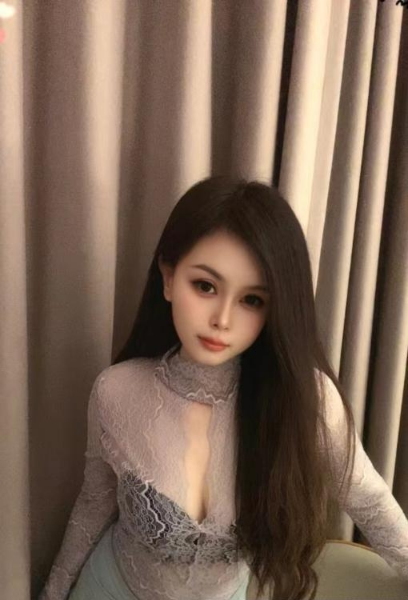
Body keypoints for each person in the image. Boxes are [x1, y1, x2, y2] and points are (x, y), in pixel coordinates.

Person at [39, 176, 408, 600]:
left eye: (252, 300)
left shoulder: (305, 400)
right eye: (205, 286)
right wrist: (54, 591)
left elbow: (370, 502)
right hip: (107, 588)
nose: (223, 320)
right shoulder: (116, 391)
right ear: (168, 278)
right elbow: (94, 501)